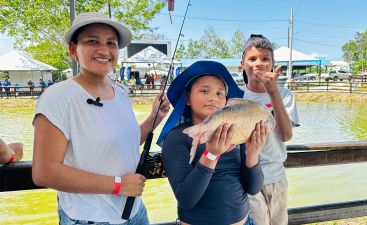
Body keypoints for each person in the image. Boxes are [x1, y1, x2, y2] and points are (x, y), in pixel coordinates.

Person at [32, 12, 170, 225]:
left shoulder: (121, 93)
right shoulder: (57, 96)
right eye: (92, 41)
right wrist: (117, 185)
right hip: (89, 219)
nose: (104, 50)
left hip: (135, 213)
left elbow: (125, 143)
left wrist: (155, 117)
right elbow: (44, 172)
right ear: (73, 49)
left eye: (111, 43)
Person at [158, 60, 268, 225]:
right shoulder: (177, 138)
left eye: (220, 93)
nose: (213, 98)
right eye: (204, 91)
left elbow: (253, 188)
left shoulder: (237, 133)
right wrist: (211, 154)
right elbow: (186, 199)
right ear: (188, 98)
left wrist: (252, 155)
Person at [240, 34, 300, 225]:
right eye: (252, 59)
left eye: (265, 58)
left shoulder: (284, 94)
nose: (259, 63)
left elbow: (285, 135)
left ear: (273, 64)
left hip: (277, 176)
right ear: (242, 64)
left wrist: (273, 92)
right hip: (246, 178)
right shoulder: (234, 96)